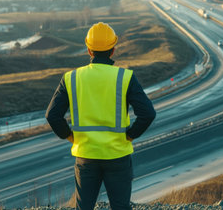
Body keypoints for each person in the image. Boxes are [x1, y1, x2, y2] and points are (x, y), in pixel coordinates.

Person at [45, 22, 156, 210]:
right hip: (117, 155)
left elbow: (52, 116)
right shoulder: (125, 77)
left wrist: (71, 137)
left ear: (89, 50)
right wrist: (130, 135)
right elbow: (148, 113)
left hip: (86, 156)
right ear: (113, 50)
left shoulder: (71, 78)